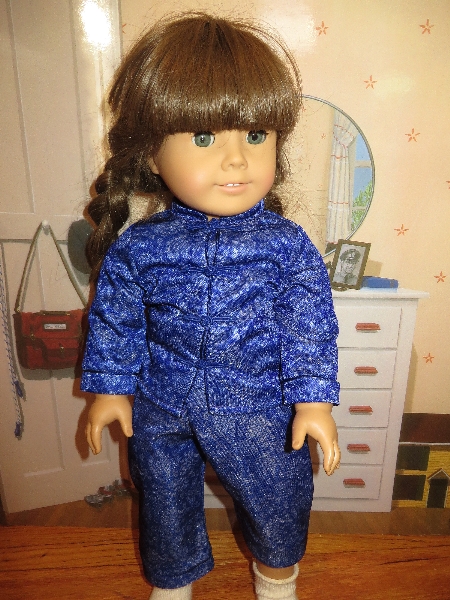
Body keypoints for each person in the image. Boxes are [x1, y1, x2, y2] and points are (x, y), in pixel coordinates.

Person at [81, 13, 341, 600]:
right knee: (162, 499)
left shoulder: (285, 245)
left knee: (278, 499)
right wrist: (109, 390)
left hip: (260, 407)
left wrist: (314, 401)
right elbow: (116, 320)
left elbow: (309, 327)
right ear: (152, 154)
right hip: (162, 404)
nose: (237, 160)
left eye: (256, 136)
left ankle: (277, 581)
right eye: (204, 138)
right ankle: (174, 582)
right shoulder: (140, 246)